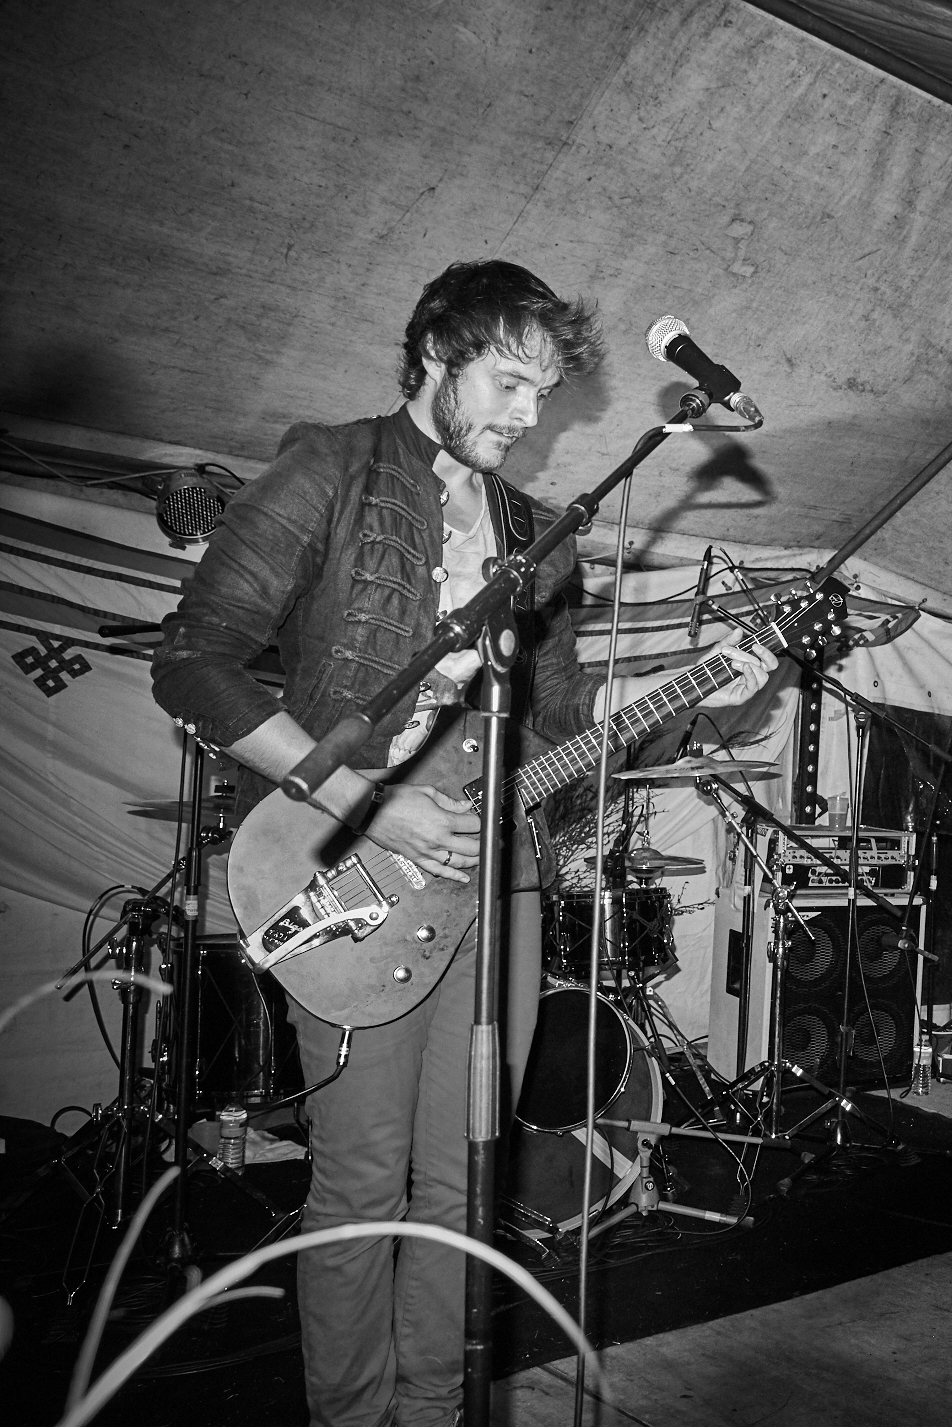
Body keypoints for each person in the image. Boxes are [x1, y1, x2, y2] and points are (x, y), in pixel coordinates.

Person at [151, 259, 774, 1427]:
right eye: (508, 382)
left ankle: (435, 1407)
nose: (529, 415)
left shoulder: (536, 535)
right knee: (360, 1179)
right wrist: (370, 800)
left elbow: (565, 721)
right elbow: (193, 660)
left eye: (544, 391)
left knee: (461, 1181)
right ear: (436, 352)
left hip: (505, 881)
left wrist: (701, 686)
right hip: (359, 869)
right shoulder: (332, 468)